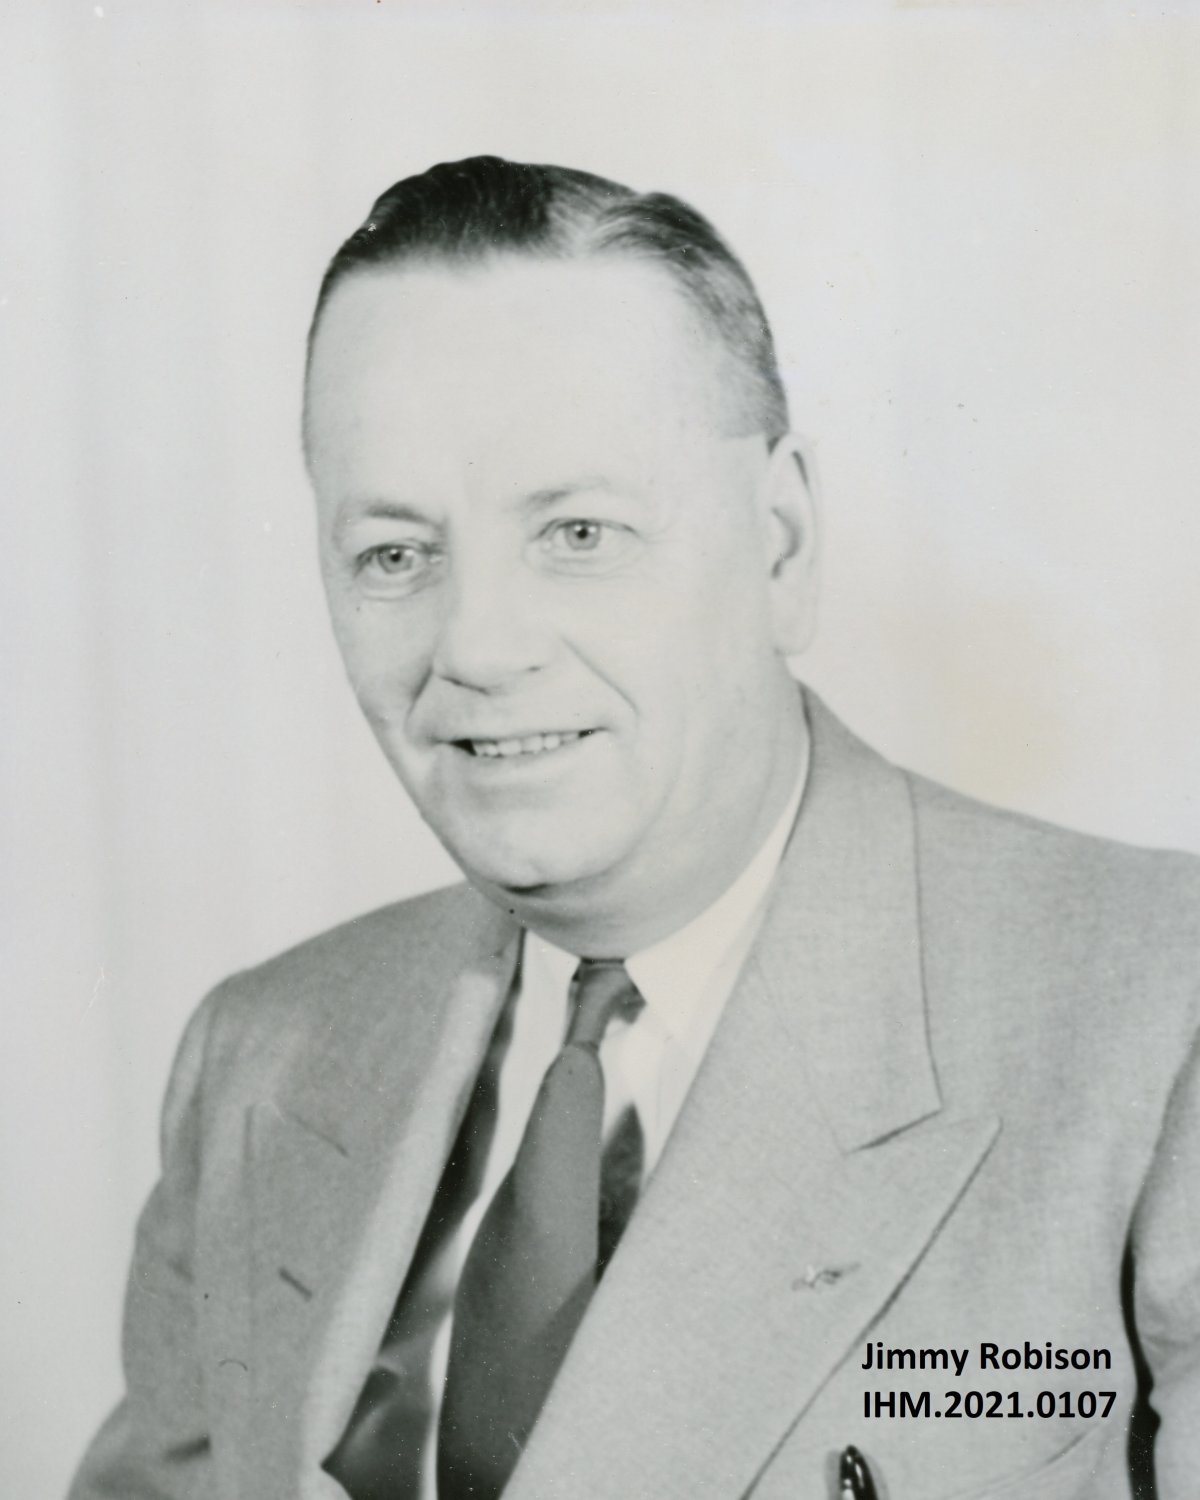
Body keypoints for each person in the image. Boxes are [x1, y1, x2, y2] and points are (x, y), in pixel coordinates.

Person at [69, 156, 1199, 1500]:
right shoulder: (259, 1055)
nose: (476, 646)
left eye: (581, 532)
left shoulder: (1156, 1018)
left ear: (780, 545)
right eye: (393, 553)